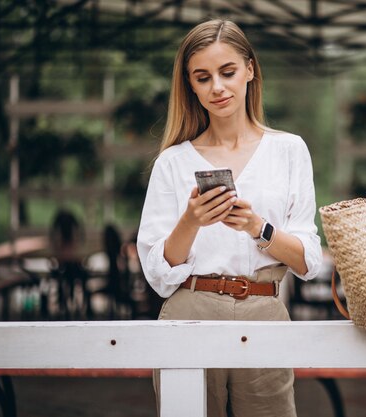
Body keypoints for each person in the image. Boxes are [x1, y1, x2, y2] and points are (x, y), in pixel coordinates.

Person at [136, 19, 322, 417]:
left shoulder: (289, 150)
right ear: (190, 85)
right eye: (202, 78)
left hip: (265, 310)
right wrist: (191, 221)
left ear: (250, 70)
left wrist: (259, 228)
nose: (217, 87)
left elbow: (308, 261)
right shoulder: (172, 162)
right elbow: (157, 275)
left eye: (227, 72)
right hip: (190, 311)